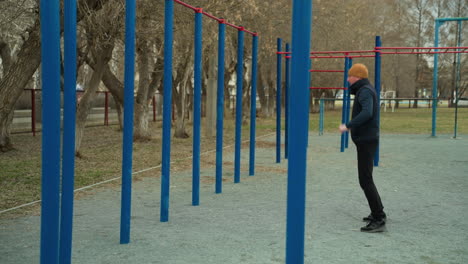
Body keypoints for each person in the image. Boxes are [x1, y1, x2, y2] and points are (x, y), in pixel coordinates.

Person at [339, 63, 386, 233]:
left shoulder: (365, 90)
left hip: (367, 140)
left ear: (357, 77)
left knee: (365, 179)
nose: (347, 79)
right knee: (366, 178)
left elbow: (367, 112)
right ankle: (377, 213)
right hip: (366, 140)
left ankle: (379, 217)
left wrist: (348, 125)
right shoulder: (365, 89)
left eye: (349, 76)